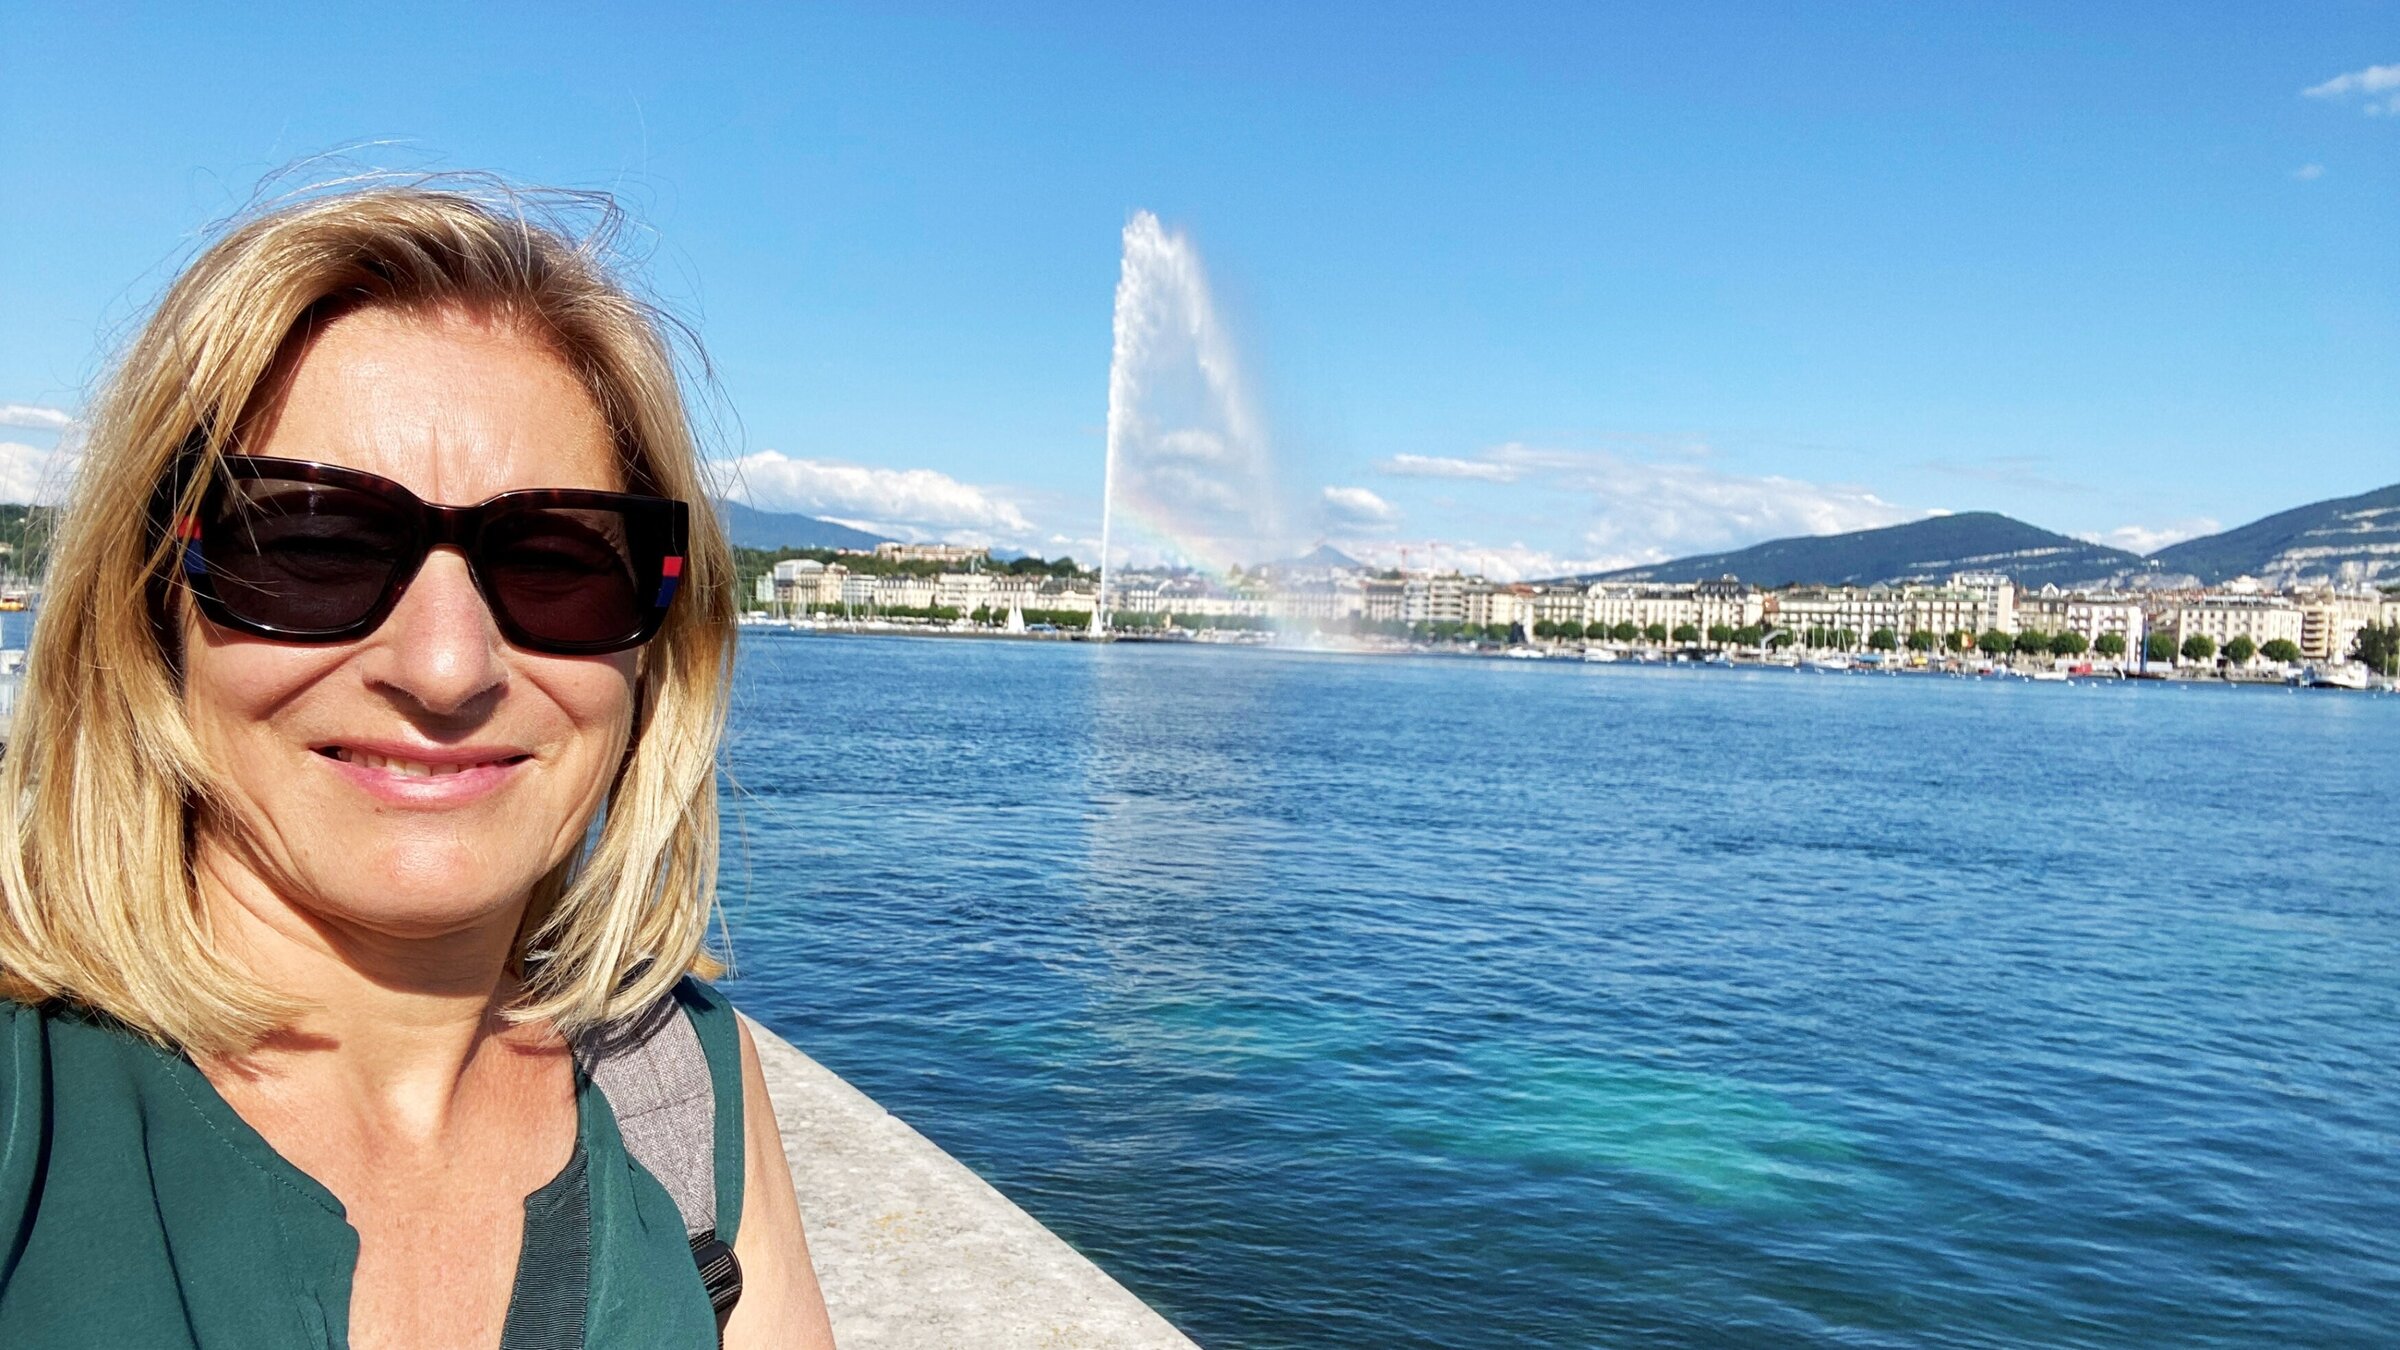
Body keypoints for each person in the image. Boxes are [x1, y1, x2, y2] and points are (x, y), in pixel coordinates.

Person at [0, 183, 838, 1349]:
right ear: (148, 612)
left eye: (555, 560)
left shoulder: (683, 1089)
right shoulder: (27, 1102)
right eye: (309, 545)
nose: (446, 668)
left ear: (653, 647)